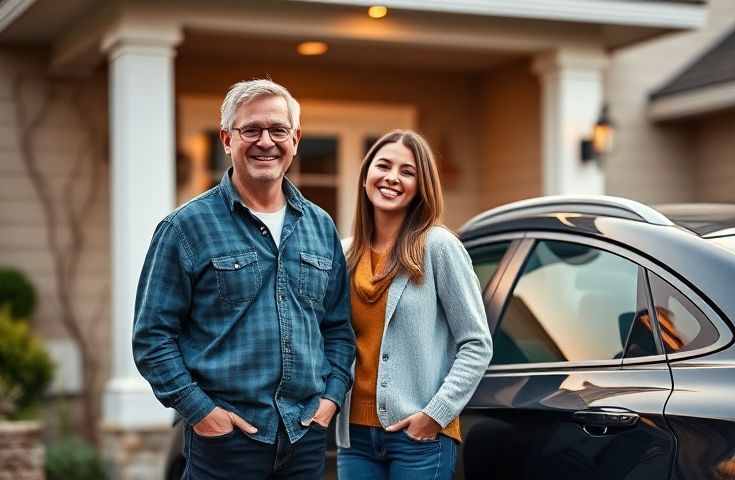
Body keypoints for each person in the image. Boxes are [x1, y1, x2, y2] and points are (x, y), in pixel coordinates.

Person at [132, 78, 355, 479]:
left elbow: (338, 329)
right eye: (250, 129)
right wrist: (202, 414)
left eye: (278, 130)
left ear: (296, 139)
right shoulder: (185, 228)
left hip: (304, 439)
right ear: (226, 139)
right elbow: (152, 337)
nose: (265, 141)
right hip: (225, 446)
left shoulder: (321, 227)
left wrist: (330, 401)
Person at [335, 129, 493, 479]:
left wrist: (435, 414)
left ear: (421, 187)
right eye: (384, 166)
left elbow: (477, 343)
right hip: (355, 438)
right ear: (365, 177)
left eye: (407, 172)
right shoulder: (345, 253)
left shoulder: (439, 247)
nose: (392, 178)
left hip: (420, 438)